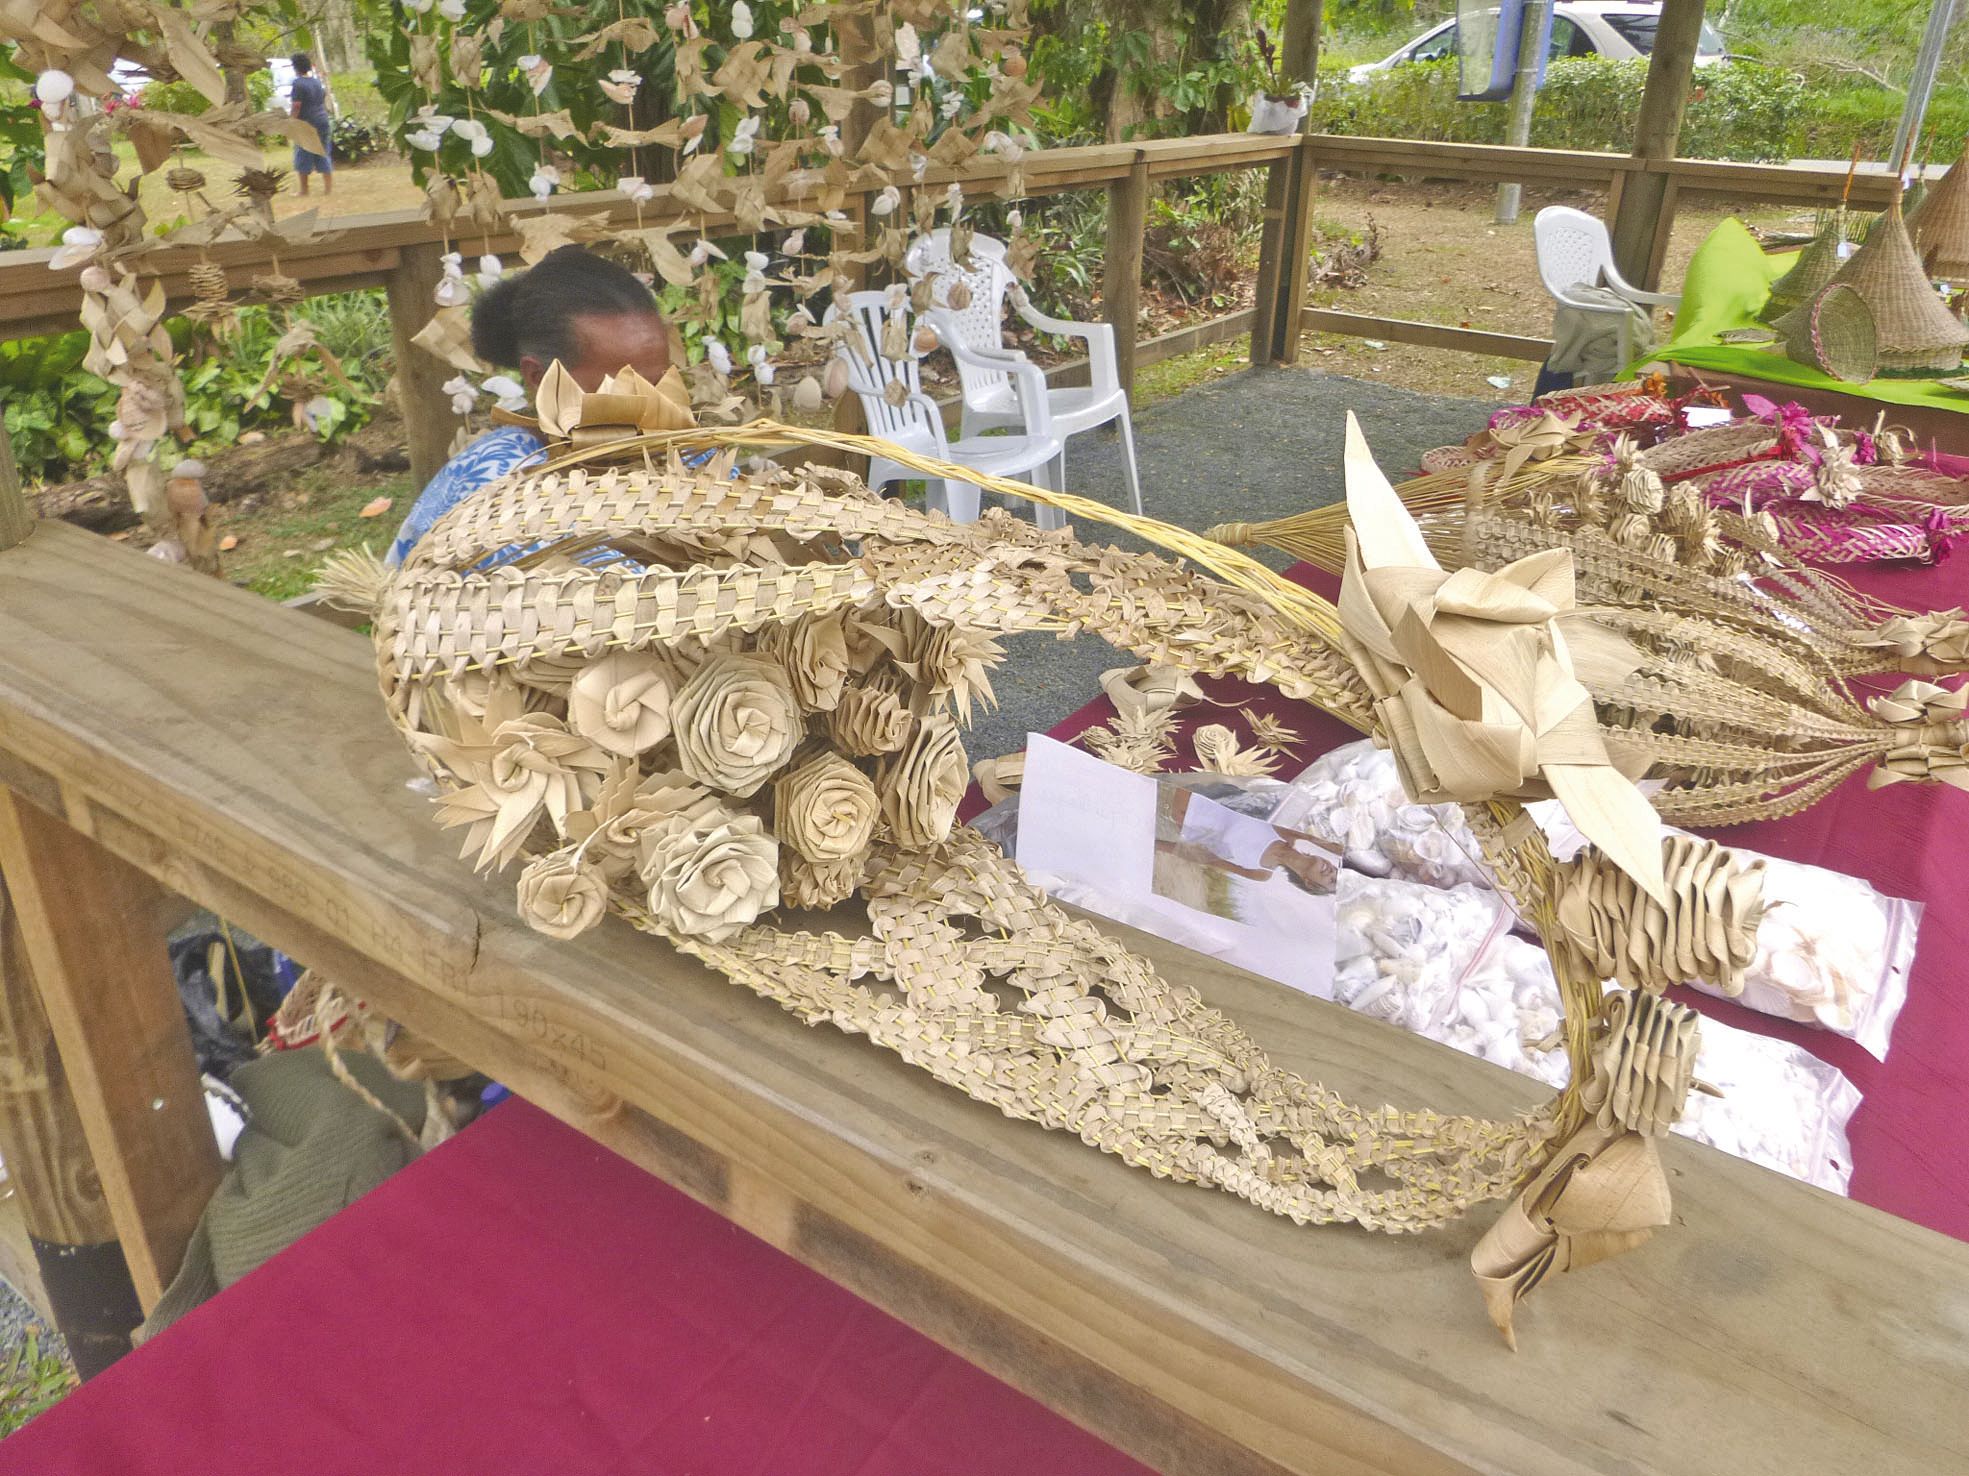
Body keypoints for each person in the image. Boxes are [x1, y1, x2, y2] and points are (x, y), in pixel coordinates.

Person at [387, 246, 679, 565]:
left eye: (659, 384)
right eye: (623, 390)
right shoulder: (500, 489)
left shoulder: (684, 454)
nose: (653, 408)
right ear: (540, 377)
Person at [288, 54, 334, 197]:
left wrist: (291, 121)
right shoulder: (315, 82)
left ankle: (304, 190)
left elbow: (296, 106)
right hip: (322, 120)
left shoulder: (298, 84)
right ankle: (328, 190)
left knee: (303, 154)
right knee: (323, 153)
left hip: (307, 122)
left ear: (295, 67)